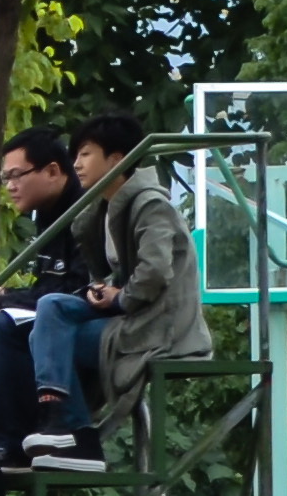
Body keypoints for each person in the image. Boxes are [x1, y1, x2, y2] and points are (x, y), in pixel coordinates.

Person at [65, 114, 213, 447]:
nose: (76, 165)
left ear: (117, 159)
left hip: (162, 326)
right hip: (130, 316)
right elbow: (106, 271)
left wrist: (118, 298)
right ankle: (58, 427)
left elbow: (154, 272)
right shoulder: (101, 209)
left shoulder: (150, 205)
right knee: (50, 315)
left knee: (60, 338)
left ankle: (74, 431)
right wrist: (100, 289)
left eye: (85, 154)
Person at [0, 126, 97, 467]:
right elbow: (50, 284)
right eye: (4, 178)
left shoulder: (85, 212)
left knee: (5, 323)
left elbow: (77, 286)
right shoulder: (47, 215)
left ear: (52, 171)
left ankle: (16, 439)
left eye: (16, 175)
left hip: (89, 313)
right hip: (59, 309)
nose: (10, 186)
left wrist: (11, 299)